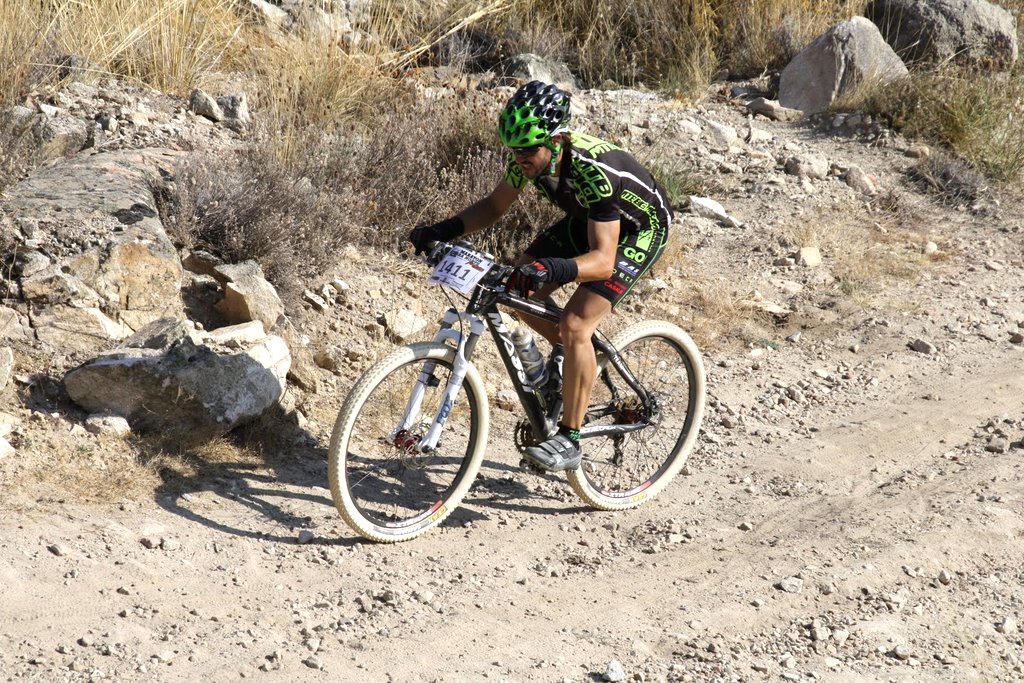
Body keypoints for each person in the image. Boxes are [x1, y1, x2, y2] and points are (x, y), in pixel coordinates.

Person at [408, 80, 673, 472]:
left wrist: (553, 268)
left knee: (576, 322)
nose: (519, 159)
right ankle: (570, 364)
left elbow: (602, 261)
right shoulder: (529, 158)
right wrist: (442, 230)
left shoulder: (593, 172)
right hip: (589, 217)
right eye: (513, 150)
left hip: (640, 229)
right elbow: (494, 206)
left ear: (557, 140)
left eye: (528, 150)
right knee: (517, 288)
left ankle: (570, 439)